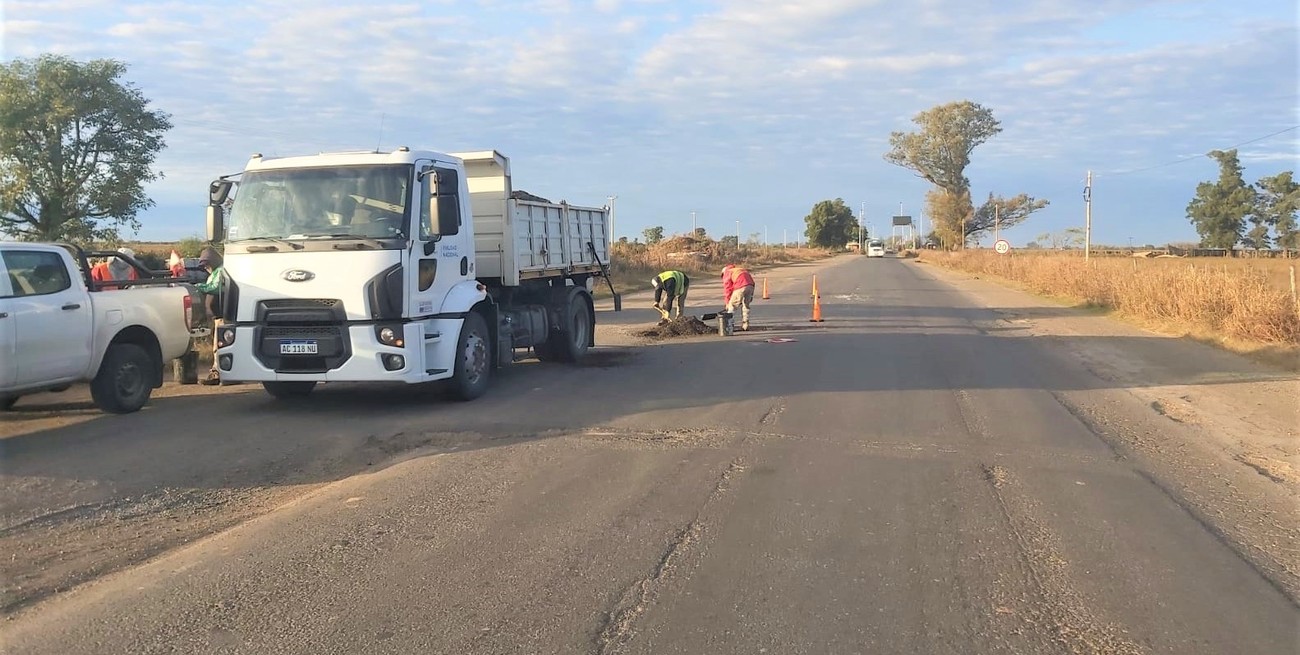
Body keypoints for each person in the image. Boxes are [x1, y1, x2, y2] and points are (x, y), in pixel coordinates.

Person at [195, 247, 227, 385]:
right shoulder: (214, 272)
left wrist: (199, 287)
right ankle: (219, 372)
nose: (206, 268)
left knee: (219, 346)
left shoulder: (220, 271)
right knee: (217, 346)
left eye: (207, 264)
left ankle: (218, 374)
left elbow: (216, 288)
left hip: (223, 315)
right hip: (217, 316)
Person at [721, 262, 755, 331]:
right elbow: (751, 281)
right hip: (750, 286)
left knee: (732, 306)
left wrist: (727, 303)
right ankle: (745, 325)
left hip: (740, 286)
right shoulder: (738, 269)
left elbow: (727, 289)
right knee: (746, 306)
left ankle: (729, 325)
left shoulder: (728, 272)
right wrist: (751, 295)